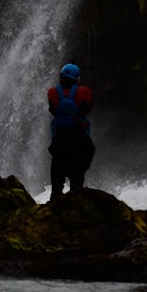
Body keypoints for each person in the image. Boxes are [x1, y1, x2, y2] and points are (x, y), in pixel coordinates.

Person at [46, 62, 95, 199]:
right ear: (76, 78)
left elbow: (53, 111)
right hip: (79, 140)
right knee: (77, 181)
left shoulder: (52, 92)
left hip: (59, 140)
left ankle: (54, 201)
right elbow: (87, 109)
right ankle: (75, 200)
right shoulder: (84, 92)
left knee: (57, 180)